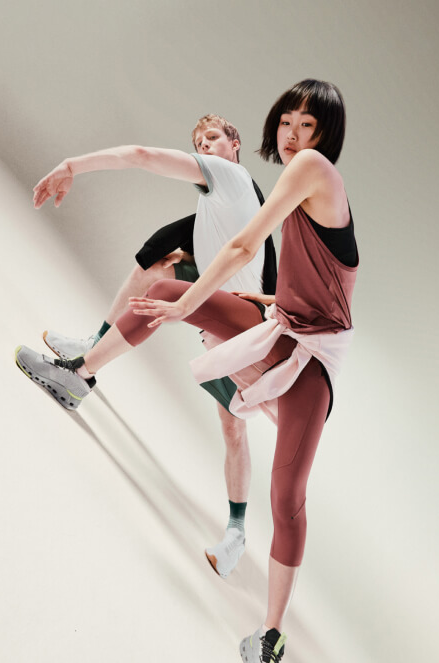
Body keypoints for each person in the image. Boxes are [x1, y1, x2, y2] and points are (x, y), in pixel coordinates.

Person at [16, 79, 358, 663]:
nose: (292, 136)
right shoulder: (291, 190)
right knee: (168, 290)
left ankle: (267, 636)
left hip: (310, 360)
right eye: (286, 122)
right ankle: (80, 373)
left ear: (322, 137)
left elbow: (242, 245)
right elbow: (294, 282)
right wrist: (245, 300)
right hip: (287, 336)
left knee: (285, 492)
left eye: (307, 126)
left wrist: (192, 305)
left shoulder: (308, 170)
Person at [28, 114, 277, 581]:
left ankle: (237, 531)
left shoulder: (229, 175)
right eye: (198, 142)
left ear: (235, 143)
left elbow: (141, 156)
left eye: (212, 138)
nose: (204, 147)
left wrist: (72, 165)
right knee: (159, 269)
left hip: (242, 330)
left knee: (233, 429)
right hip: (222, 305)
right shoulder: (224, 201)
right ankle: (89, 354)